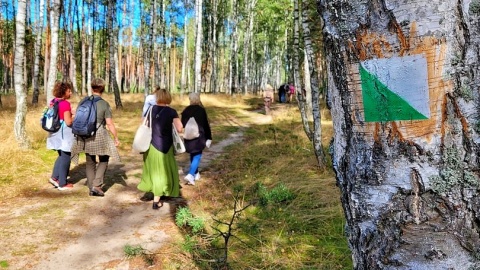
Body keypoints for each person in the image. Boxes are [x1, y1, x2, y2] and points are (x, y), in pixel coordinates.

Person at [71, 78, 120, 197]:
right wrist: (115, 137)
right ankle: (97, 185)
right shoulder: (104, 104)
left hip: (85, 133)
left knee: (90, 161)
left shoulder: (83, 101)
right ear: (103, 89)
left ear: (92, 88)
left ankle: (91, 187)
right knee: (104, 159)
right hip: (99, 134)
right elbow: (109, 123)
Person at [137, 89, 183, 209]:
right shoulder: (172, 111)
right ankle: (157, 199)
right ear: (168, 98)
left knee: (154, 170)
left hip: (152, 145)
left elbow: (143, 124)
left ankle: (155, 191)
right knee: (164, 170)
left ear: (157, 97)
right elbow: (179, 128)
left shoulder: (150, 110)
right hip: (166, 145)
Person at [47, 81, 75, 190]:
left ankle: (55, 177)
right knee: (66, 156)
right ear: (64, 92)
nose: (71, 92)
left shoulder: (53, 101)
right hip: (64, 133)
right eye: (69, 91)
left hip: (55, 131)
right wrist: (76, 116)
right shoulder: (65, 104)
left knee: (61, 155)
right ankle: (62, 183)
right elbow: (68, 122)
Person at [181, 92, 212, 185]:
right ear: (198, 99)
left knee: (192, 153)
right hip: (199, 136)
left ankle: (196, 173)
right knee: (197, 155)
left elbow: (182, 123)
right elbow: (205, 125)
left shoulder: (186, 110)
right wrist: (209, 137)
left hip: (188, 136)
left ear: (190, 99)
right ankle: (190, 175)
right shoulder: (201, 110)